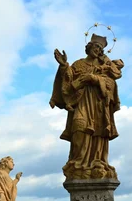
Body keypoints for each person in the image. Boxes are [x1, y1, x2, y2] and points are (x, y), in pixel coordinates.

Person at [50, 34, 123, 180]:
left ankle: (98, 163)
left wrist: (95, 79)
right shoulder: (79, 64)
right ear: (89, 47)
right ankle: (78, 164)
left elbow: (111, 85)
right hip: (82, 103)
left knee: (98, 134)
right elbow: (68, 81)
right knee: (79, 129)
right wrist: (64, 66)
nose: (97, 50)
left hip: (99, 106)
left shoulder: (106, 67)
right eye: (95, 47)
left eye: (100, 48)